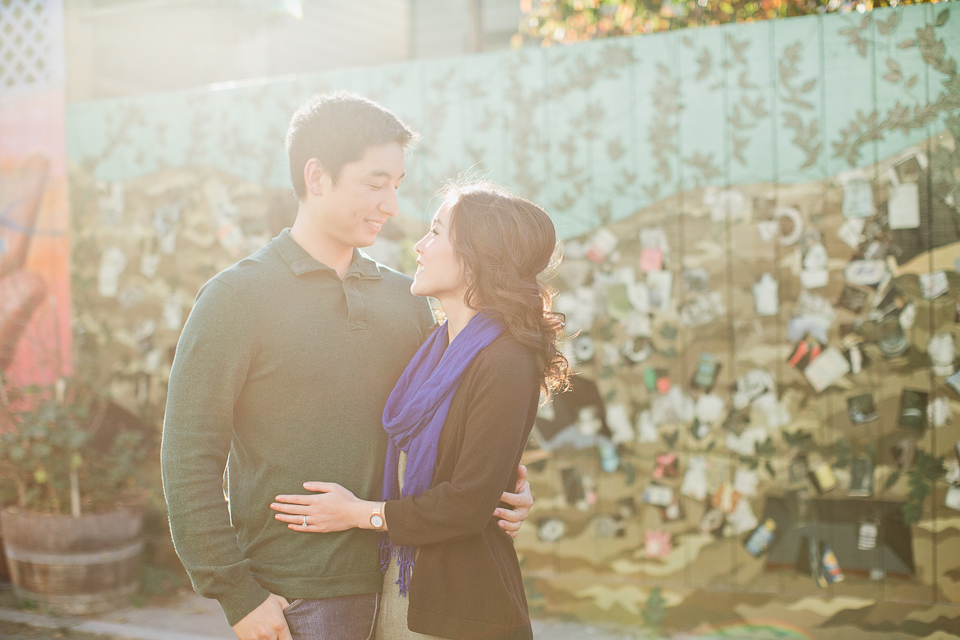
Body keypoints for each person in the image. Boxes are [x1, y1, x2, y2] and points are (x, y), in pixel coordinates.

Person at [160, 93, 533, 640]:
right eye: (375, 183)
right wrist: (238, 595)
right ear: (317, 177)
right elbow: (188, 459)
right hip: (299, 595)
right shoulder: (235, 298)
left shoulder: (404, 297)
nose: (391, 205)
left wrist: (502, 489)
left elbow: (450, 422)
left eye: (398, 186)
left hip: (408, 586)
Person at [271, 181, 571, 640]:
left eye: (435, 232)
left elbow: (468, 503)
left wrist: (357, 513)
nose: (419, 245)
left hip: (460, 608)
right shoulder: (434, 348)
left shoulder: (506, 360)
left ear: (476, 257)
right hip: (401, 588)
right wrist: (504, 485)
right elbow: (466, 466)